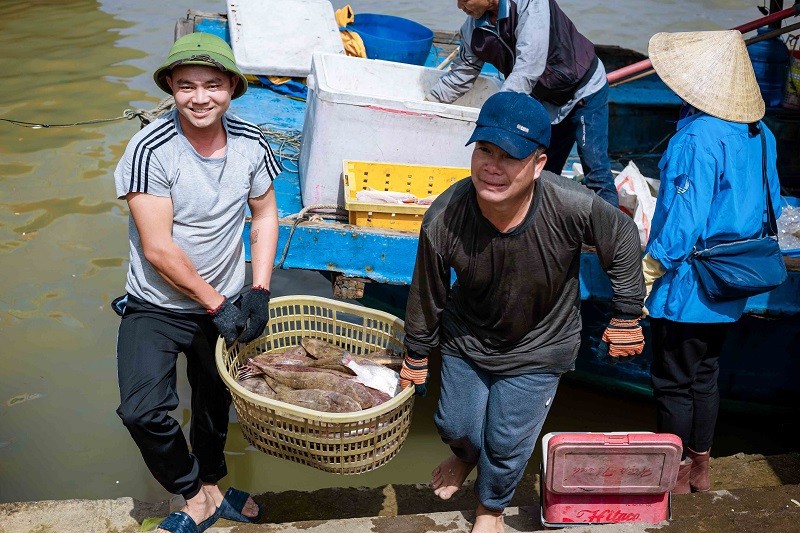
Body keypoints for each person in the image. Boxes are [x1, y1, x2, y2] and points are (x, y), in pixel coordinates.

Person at [399, 90, 645, 533]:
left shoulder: (572, 206)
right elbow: (427, 291)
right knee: (458, 427)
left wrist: (626, 313)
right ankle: (462, 458)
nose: (492, 166)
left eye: (509, 156)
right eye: (484, 151)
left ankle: (490, 508)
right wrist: (416, 352)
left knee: (506, 441)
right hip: (468, 337)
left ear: (538, 164)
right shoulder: (444, 218)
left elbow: (624, 237)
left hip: (541, 344)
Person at [113, 32, 280, 533]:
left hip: (226, 296)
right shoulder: (149, 148)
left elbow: (266, 214)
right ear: (171, 88)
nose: (200, 97)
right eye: (186, 85)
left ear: (231, 87)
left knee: (213, 406)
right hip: (155, 304)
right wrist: (215, 304)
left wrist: (259, 290)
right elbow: (158, 248)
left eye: (212, 84)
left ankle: (213, 488)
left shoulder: (253, 142)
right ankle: (192, 492)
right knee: (142, 410)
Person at [642, 30, 783, 494]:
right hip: (733, 278)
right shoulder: (760, 133)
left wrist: (649, 269)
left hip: (691, 284)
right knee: (705, 374)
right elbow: (774, 206)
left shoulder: (697, 138)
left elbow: (681, 224)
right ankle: (700, 466)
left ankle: (676, 475)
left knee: (673, 382)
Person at [426, 0, 619, 207]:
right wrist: (427, 104)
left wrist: (496, 120)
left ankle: (613, 235)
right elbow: (460, 75)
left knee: (595, 169)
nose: (460, 6)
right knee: (541, 174)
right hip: (542, 101)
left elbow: (528, 70)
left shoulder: (531, 4)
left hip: (583, 90)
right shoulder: (472, 29)